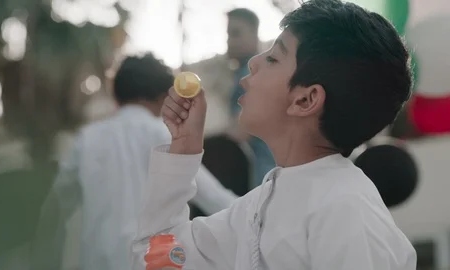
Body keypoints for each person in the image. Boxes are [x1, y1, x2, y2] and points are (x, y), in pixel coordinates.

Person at [131, 0, 416, 269]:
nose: (254, 62)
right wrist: (183, 148)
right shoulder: (261, 205)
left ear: (305, 100)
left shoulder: (347, 213)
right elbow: (157, 258)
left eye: (273, 58)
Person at [31, 54, 237, 270]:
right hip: (151, 263)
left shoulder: (87, 139)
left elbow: (55, 210)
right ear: (162, 98)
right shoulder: (166, 135)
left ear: (116, 96)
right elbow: (214, 198)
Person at [187, 8, 274, 189]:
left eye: (235, 34)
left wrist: (192, 142)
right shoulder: (240, 74)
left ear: (254, 33)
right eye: (228, 35)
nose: (229, 41)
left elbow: (241, 130)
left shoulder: (255, 74)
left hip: (261, 176)